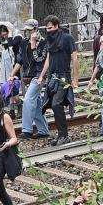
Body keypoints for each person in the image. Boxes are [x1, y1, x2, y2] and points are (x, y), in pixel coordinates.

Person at [39, 16, 78, 146]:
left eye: (50, 27)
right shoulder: (49, 40)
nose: (48, 30)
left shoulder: (67, 38)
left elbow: (74, 57)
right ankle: (61, 134)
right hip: (52, 77)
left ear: (56, 26)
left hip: (63, 77)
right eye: (46, 28)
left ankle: (64, 135)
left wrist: (75, 78)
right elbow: (49, 59)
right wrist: (42, 76)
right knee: (53, 105)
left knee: (56, 104)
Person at [18, 22, 50, 140]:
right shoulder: (24, 42)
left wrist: (33, 45)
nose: (28, 32)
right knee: (36, 104)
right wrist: (13, 74)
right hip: (29, 76)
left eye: (30, 30)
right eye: (26, 30)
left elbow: (39, 59)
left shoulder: (44, 42)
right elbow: (21, 60)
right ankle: (43, 130)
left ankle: (27, 130)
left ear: (36, 29)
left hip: (40, 75)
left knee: (28, 100)